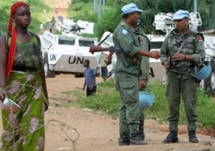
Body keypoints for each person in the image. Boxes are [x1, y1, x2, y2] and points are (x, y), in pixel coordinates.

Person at [90, 3, 160, 145]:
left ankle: (124, 137)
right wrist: (151, 54)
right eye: (135, 13)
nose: (138, 16)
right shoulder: (122, 31)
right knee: (133, 104)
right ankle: (134, 136)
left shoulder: (130, 31)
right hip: (127, 73)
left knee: (125, 105)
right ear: (127, 15)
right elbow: (131, 49)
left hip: (129, 73)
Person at [0, 2, 49, 151]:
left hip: (35, 89)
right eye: (22, 14)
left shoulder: (35, 39)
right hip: (13, 90)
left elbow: (40, 68)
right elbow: (1, 64)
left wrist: (46, 95)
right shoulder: (6, 39)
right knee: (12, 129)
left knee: (34, 127)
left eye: (28, 14)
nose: (26, 17)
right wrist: (2, 87)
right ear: (13, 18)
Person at [160, 10, 205, 143]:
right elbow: (163, 52)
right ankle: (173, 133)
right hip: (173, 75)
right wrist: (164, 62)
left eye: (179, 21)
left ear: (187, 20)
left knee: (190, 105)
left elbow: (201, 56)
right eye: (176, 21)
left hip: (188, 76)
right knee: (172, 104)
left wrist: (185, 57)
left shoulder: (196, 36)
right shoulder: (170, 36)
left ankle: (192, 133)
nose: (177, 23)